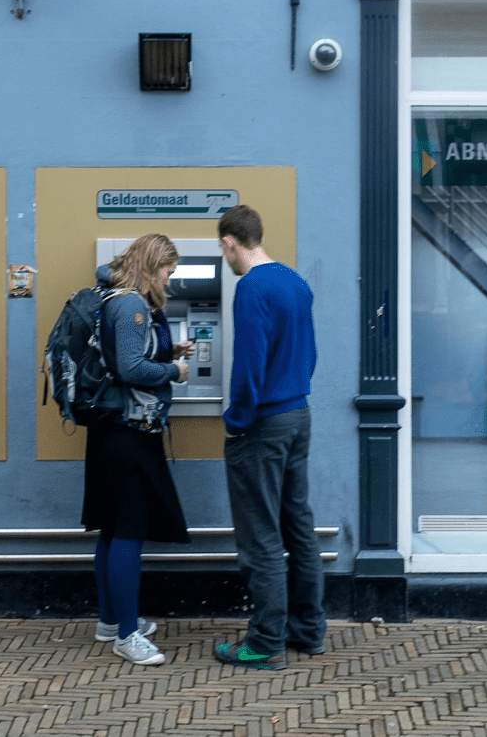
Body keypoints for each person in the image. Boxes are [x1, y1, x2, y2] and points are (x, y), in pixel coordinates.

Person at [212, 205, 324, 672]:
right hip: (299, 413)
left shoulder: (251, 288)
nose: (225, 258)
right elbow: (309, 353)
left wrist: (236, 420)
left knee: (259, 534)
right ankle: (308, 631)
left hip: (264, 422)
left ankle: (264, 642)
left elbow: (249, 365)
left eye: (224, 250)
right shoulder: (296, 282)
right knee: (297, 523)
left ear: (230, 243)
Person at [82, 233, 194, 666]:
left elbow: (125, 357)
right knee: (127, 530)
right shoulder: (129, 303)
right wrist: (176, 369)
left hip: (114, 429)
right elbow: (130, 368)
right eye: (169, 270)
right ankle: (128, 636)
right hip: (128, 431)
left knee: (113, 528)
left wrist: (168, 347)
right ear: (152, 265)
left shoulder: (116, 298)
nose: (171, 280)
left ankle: (111, 619)